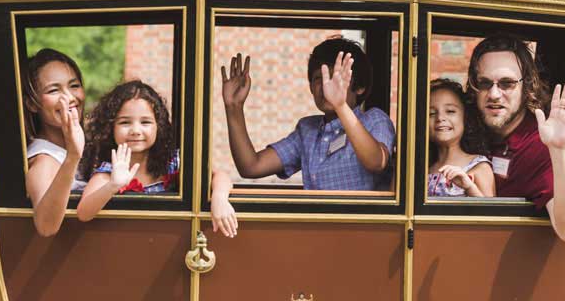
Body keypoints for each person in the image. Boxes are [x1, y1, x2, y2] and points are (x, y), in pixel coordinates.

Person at [221, 38, 395, 192]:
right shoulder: (308, 130)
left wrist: (340, 105)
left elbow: (376, 161)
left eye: (336, 78)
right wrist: (233, 106)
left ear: (360, 87)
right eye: (319, 78)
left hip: (364, 229)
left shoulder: (374, 119)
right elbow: (251, 167)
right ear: (311, 87)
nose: (326, 86)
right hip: (314, 228)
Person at [466, 34, 565, 242]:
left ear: (527, 87)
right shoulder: (466, 130)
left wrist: (559, 149)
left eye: (507, 83)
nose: (494, 94)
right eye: (485, 83)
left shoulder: (540, 145)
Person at [77, 79, 237, 237]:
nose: (135, 130)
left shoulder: (173, 162)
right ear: (110, 128)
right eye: (125, 122)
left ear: (158, 127)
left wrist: (219, 198)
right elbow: (84, 212)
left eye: (145, 122)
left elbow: (220, 176)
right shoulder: (110, 170)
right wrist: (113, 185)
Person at [22, 48, 87, 237]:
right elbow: (45, 226)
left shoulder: (79, 144)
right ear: (32, 104)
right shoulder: (44, 160)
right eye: (54, 90)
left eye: (74, 86)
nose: (69, 98)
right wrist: (73, 157)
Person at [427, 78, 495, 198]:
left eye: (450, 111)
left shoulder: (479, 166)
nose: (440, 118)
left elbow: (490, 214)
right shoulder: (420, 168)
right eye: (431, 113)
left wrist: (469, 187)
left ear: (465, 117)